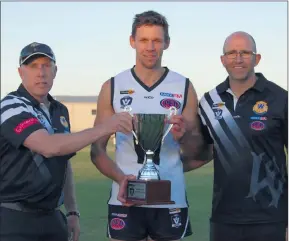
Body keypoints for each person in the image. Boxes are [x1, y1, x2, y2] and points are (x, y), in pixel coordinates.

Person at [90, 10, 205, 241]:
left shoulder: (184, 86)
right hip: (125, 199)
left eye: (156, 40)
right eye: (143, 40)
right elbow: (96, 151)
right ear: (132, 41)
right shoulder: (112, 86)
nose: (150, 47)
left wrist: (184, 137)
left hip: (170, 199)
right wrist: (122, 179)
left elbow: (197, 151)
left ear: (167, 43)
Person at [0, 42, 133, 241]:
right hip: (13, 218)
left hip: (53, 218)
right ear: (21, 72)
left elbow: (64, 162)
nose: (41, 72)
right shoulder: (12, 105)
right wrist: (105, 127)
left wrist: (72, 211)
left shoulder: (59, 110)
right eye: (33, 66)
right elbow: (48, 147)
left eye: (46, 65)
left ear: (55, 71)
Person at [185, 31, 288, 241]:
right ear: (223, 60)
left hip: (271, 218)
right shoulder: (209, 101)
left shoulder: (280, 98)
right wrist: (183, 137)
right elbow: (203, 152)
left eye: (245, 52)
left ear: (257, 58)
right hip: (224, 219)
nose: (238, 58)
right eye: (231, 53)